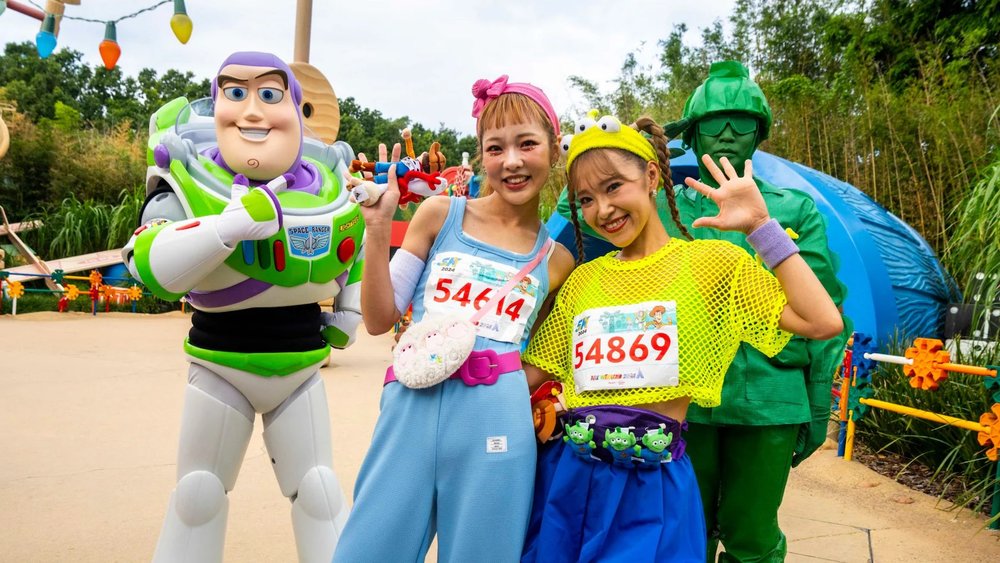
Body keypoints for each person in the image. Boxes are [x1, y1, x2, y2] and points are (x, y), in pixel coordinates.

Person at [519, 113, 843, 562]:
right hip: (573, 482)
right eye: (586, 199)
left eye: (614, 187)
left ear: (651, 175)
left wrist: (760, 227)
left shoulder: (711, 264)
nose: (602, 210)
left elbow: (821, 320)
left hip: (655, 488)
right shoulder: (583, 281)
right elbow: (531, 373)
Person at [122, 52, 363, 562]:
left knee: (320, 491)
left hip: (300, 367)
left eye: (269, 95)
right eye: (234, 94)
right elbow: (150, 266)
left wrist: (350, 312)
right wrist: (226, 228)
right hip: (220, 366)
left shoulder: (328, 187)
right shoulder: (190, 182)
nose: (251, 111)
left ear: (296, 109)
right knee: (199, 493)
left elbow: (355, 250)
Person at [332, 75, 575, 562]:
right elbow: (380, 319)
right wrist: (378, 230)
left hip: (497, 423)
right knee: (368, 549)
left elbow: (544, 352)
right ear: (481, 155)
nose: (511, 161)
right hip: (409, 407)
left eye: (527, 144)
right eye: (495, 147)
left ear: (553, 149)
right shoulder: (438, 214)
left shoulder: (557, 260)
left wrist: (505, 383)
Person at [661, 61, 851, 563]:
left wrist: (816, 404)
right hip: (684, 401)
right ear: (691, 130)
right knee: (683, 533)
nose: (726, 134)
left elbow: (827, 317)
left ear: (759, 133)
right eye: (714, 121)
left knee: (753, 538)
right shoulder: (664, 208)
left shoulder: (794, 210)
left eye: (741, 122)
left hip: (771, 399)